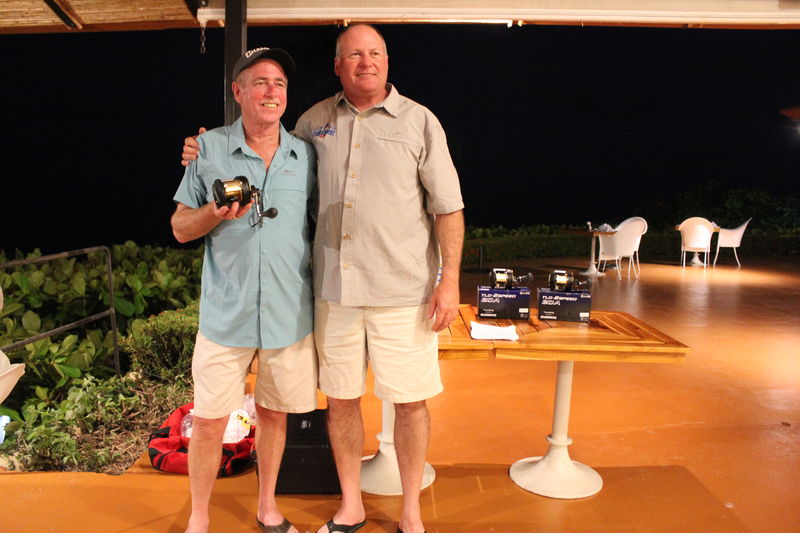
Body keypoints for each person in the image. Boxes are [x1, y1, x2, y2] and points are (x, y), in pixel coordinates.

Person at [182, 25, 464, 533]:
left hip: (401, 294)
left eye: (374, 53)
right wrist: (204, 153)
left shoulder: (418, 122)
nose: (365, 62)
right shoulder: (312, 126)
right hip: (332, 295)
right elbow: (202, 206)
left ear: (387, 61)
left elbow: (449, 207)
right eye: (354, 54)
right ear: (338, 66)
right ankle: (350, 505)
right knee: (341, 403)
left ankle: (411, 514)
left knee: (409, 404)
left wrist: (450, 281)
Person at [172, 47, 317, 533]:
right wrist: (213, 213)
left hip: (288, 316)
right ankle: (198, 516)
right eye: (259, 82)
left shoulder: (305, 155)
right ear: (238, 92)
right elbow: (180, 228)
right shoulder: (207, 148)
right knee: (209, 420)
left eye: (279, 83)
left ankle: (267, 506)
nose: (271, 91)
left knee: (275, 417)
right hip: (225, 316)